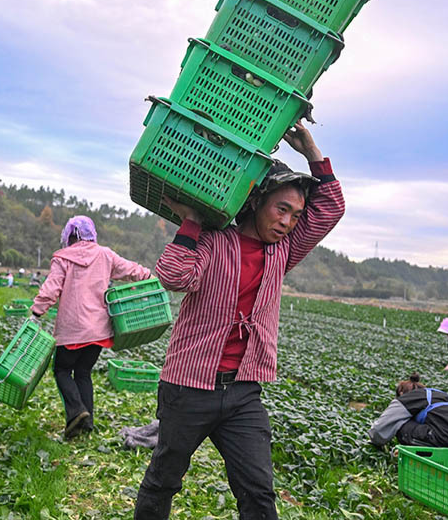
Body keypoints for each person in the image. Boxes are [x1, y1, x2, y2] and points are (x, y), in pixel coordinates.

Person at [134, 121, 345, 520]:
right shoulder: (215, 241)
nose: (288, 222)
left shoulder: (282, 252)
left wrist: (311, 152)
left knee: (258, 493)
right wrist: (191, 222)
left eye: (296, 215)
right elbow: (174, 276)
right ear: (257, 202)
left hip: (243, 392)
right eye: (282, 209)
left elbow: (330, 208)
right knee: (164, 479)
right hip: (189, 387)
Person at [31, 215, 151, 440]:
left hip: (72, 330)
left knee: (62, 370)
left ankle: (76, 411)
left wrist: (37, 311)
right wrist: (150, 277)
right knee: (83, 372)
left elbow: (51, 288)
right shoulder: (105, 255)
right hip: (98, 330)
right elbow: (131, 270)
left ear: (69, 236)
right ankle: (87, 423)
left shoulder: (63, 258)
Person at [369, 373, 448, 459]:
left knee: (400, 425)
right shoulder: (444, 396)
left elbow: (379, 431)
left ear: (401, 393)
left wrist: (377, 443)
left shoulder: (408, 399)